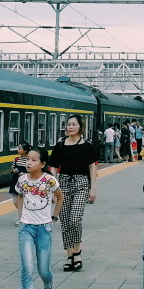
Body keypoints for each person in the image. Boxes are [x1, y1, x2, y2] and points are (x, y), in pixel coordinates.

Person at [12, 146, 62, 289]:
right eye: (28, 159)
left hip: (44, 228)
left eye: (33, 160)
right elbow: (19, 197)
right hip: (26, 228)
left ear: (42, 163)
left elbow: (59, 197)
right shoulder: (22, 180)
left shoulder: (49, 180)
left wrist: (54, 218)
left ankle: (48, 287)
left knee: (43, 270)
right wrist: (21, 216)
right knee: (27, 267)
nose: (29, 162)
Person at [48, 114, 100, 272]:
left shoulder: (87, 146)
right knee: (64, 221)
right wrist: (52, 189)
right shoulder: (60, 145)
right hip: (63, 184)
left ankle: (77, 252)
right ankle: (69, 255)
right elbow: (53, 167)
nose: (70, 127)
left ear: (80, 127)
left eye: (73, 124)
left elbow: (92, 167)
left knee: (75, 219)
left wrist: (93, 188)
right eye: (68, 124)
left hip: (81, 183)